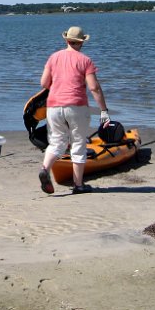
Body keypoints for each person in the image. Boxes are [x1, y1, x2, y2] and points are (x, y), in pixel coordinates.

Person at [38, 26, 110, 195]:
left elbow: (44, 83)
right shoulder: (85, 60)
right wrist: (104, 110)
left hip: (54, 106)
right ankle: (78, 185)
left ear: (66, 40)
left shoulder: (53, 57)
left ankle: (44, 169)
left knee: (57, 141)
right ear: (82, 42)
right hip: (76, 106)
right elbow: (94, 88)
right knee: (78, 143)